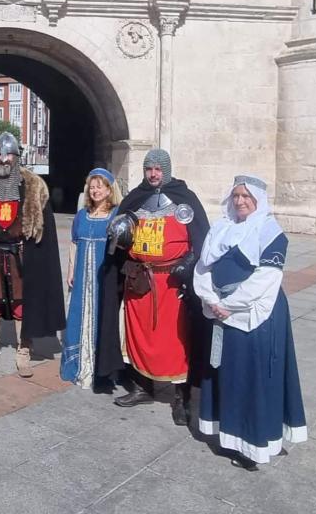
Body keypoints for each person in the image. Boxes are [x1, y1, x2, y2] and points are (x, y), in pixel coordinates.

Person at [194, 175, 307, 470]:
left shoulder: (270, 231)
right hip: (222, 311)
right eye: (236, 196)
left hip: (257, 315)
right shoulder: (221, 228)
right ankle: (230, 436)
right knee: (230, 375)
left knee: (255, 377)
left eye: (246, 196)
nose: (240, 201)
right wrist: (211, 299)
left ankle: (255, 443)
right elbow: (203, 267)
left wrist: (229, 305)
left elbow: (266, 279)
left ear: (258, 199)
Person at [98, 148, 210, 426]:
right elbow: (119, 239)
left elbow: (202, 239)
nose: (153, 174)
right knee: (139, 336)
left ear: (167, 170)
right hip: (139, 281)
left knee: (176, 339)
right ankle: (142, 387)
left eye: (158, 169)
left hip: (172, 284)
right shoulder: (136, 199)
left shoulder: (185, 199)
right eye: (149, 169)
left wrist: (191, 265)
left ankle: (181, 398)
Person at [0, 132, 66, 377]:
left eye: (8, 154)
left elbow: (45, 228)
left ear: (17, 157)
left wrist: (32, 249)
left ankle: (23, 353)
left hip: (21, 254)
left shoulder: (33, 185)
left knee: (22, 305)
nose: (3, 159)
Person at [61, 168, 121, 388]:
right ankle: (78, 364)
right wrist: (70, 271)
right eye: (92, 186)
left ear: (109, 189)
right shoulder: (81, 215)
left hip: (103, 277)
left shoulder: (116, 215)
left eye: (100, 186)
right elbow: (75, 244)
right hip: (82, 277)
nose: (95, 191)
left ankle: (101, 367)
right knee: (79, 315)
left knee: (101, 318)